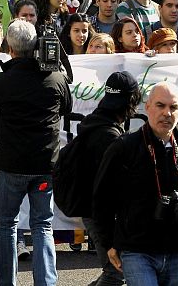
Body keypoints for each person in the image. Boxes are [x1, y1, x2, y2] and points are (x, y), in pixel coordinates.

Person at [93, 83, 178, 285]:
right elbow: (101, 200)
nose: (167, 113)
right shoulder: (124, 147)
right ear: (148, 106)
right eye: (160, 105)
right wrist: (108, 244)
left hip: (177, 248)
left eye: (173, 107)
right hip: (137, 250)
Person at [0, 19, 72, 286]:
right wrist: (58, 60)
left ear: (10, 46)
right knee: (42, 224)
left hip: (13, 165)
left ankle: (6, 282)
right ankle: (45, 282)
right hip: (44, 163)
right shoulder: (55, 78)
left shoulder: (5, 80)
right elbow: (67, 106)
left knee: (7, 224)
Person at [74, 71, 141, 286]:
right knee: (115, 272)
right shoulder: (108, 135)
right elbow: (112, 183)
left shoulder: (97, 121)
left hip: (93, 208)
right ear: (131, 99)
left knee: (113, 271)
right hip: (100, 212)